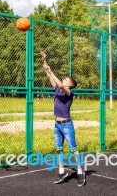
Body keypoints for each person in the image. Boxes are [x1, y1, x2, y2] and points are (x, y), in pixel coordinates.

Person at [40, 51, 86, 186]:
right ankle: (61, 172)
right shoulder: (58, 90)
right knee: (59, 149)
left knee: (73, 148)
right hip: (57, 125)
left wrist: (52, 72)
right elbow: (48, 74)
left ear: (69, 85)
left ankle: (79, 173)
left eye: (65, 80)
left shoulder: (69, 93)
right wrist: (45, 62)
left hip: (67, 125)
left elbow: (59, 83)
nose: (63, 80)